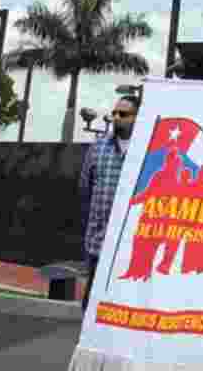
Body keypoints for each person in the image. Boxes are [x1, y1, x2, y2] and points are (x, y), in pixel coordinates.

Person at [79, 95, 139, 311]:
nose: (116, 117)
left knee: (122, 301)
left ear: (137, 117)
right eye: (114, 113)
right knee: (92, 297)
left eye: (123, 114)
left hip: (131, 243)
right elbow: (85, 186)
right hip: (98, 239)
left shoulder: (146, 148)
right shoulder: (98, 146)